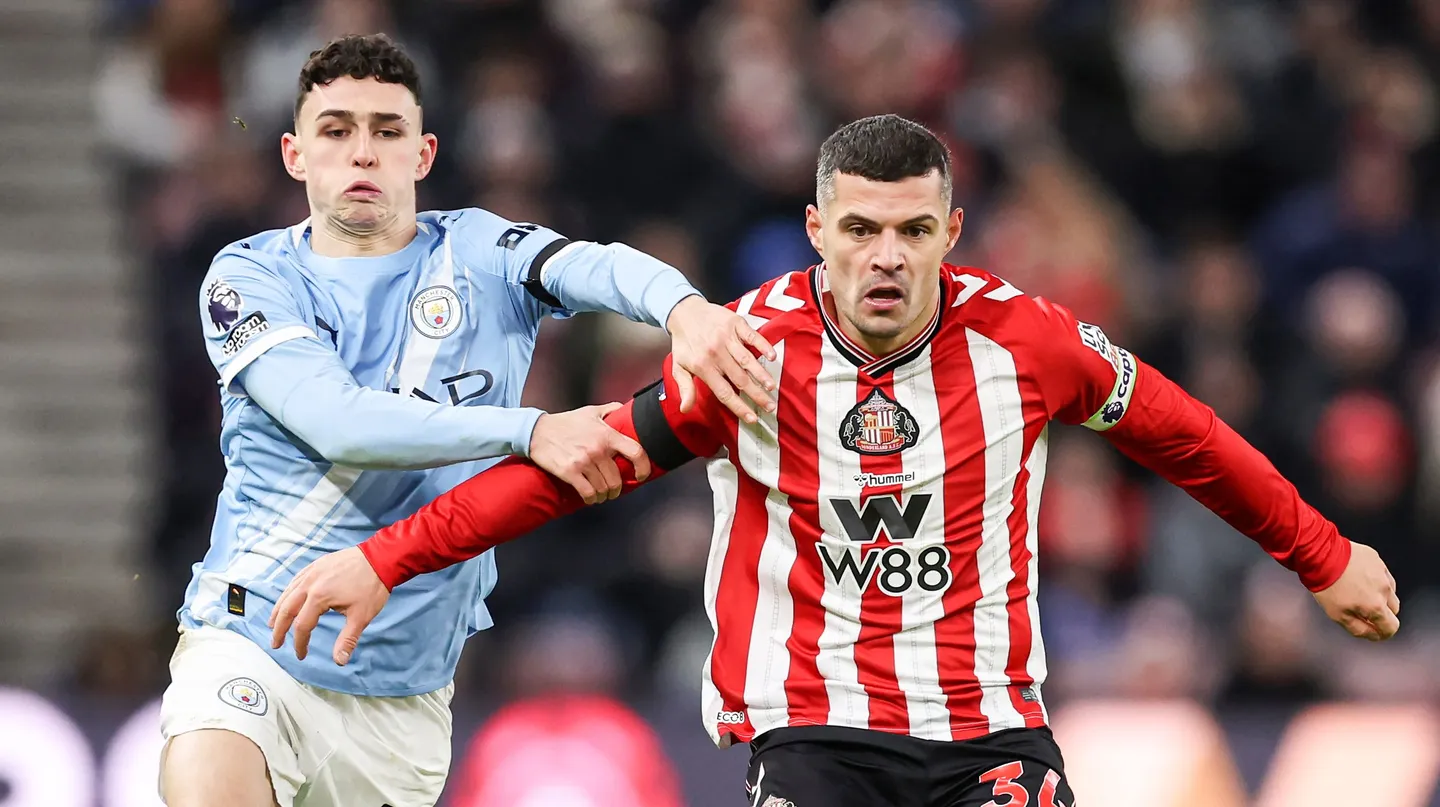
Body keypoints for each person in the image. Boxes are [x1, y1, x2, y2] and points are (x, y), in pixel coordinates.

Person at [271, 114, 1402, 807]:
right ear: (817, 230)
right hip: (817, 735)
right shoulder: (751, 353)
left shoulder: (1031, 345)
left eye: (913, 231)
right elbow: (579, 465)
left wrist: (1320, 554)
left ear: (951, 234)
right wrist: (389, 557)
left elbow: (1187, 438)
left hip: (987, 732)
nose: (886, 258)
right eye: (859, 230)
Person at [158, 33, 781, 807]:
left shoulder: (481, 250)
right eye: (336, 130)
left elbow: (599, 265)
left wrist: (684, 308)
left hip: (404, 691)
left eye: (386, 132)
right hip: (254, 642)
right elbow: (337, 423)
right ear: (294, 154)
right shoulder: (249, 275)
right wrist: (527, 429)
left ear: (422, 155)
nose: (362, 154)